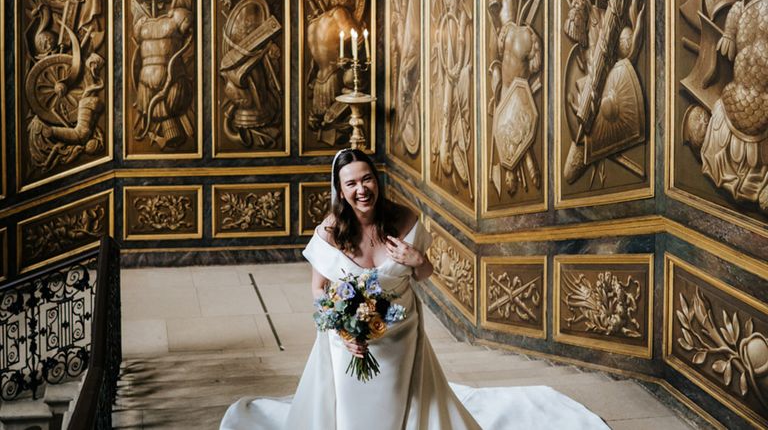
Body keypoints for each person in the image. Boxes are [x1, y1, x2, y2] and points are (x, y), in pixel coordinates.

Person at [220, 149, 610, 430]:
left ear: (378, 180)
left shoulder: (404, 218)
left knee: (398, 406)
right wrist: (342, 330)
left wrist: (416, 260)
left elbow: (426, 276)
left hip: (401, 335)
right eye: (351, 183)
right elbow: (319, 290)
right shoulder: (329, 231)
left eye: (367, 178)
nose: (362, 189)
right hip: (350, 343)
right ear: (340, 190)